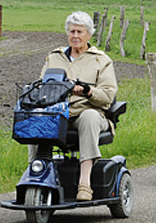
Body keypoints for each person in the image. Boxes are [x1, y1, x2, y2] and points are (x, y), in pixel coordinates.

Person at [31, 11, 118, 201]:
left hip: (90, 113)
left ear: (89, 34)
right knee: (35, 120)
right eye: (72, 32)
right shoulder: (54, 57)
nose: (75, 36)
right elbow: (40, 88)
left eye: (80, 32)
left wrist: (88, 91)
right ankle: (35, 175)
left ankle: (84, 184)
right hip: (58, 113)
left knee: (89, 117)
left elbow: (107, 97)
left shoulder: (101, 60)